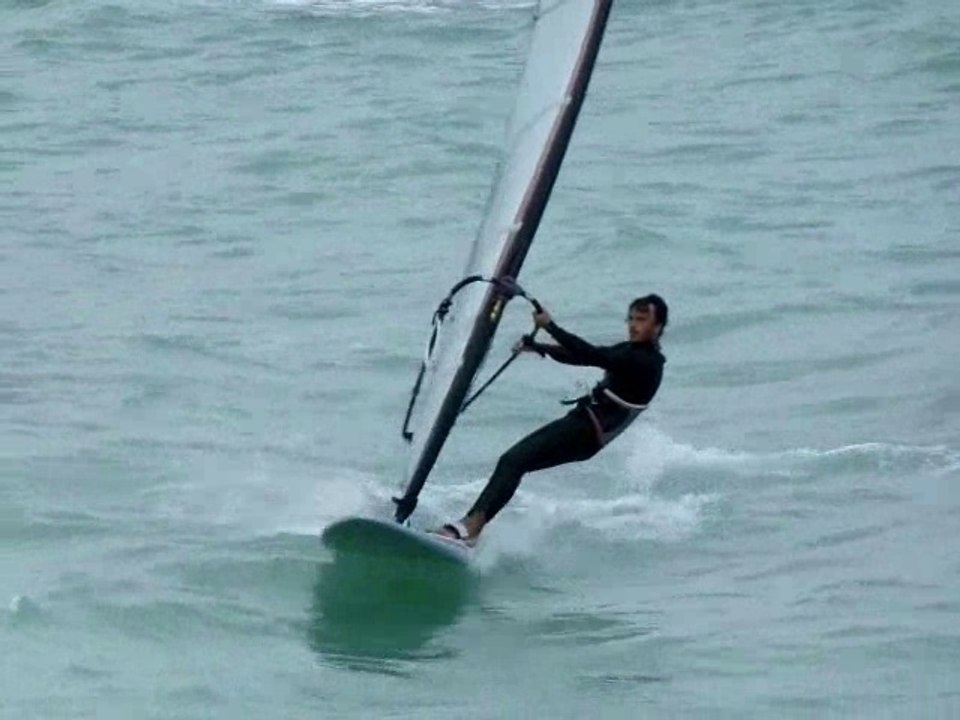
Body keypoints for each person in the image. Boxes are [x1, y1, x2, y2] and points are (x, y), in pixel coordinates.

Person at [435, 294, 668, 545]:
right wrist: (539, 348)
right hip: (586, 429)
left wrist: (549, 326)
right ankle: (472, 528)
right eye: (631, 319)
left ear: (658, 327)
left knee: (512, 461)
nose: (633, 325)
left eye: (642, 320)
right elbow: (580, 356)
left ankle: (471, 527)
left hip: (587, 431)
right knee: (515, 463)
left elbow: (590, 354)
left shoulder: (647, 361)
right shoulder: (631, 350)